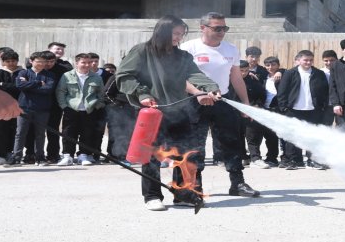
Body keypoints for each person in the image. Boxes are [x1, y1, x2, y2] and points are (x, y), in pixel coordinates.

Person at [116, 15, 222, 211]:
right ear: (162, 32)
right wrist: (142, 94)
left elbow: (195, 74)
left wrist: (211, 88)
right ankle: (152, 196)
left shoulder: (183, 56)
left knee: (186, 154)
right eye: (175, 33)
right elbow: (124, 75)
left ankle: (184, 195)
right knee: (152, 156)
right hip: (152, 112)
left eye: (181, 34)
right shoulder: (141, 51)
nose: (179, 38)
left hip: (180, 111)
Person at [180, 11, 260, 198]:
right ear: (203, 28)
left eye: (224, 28)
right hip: (195, 101)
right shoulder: (189, 48)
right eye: (217, 28)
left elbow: (236, 78)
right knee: (195, 146)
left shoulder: (230, 49)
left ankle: (237, 184)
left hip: (222, 100)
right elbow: (179, 78)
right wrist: (198, 93)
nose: (222, 32)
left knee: (232, 142)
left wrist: (245, 104)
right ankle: (195, 186)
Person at [276, 50, 329, 170]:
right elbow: (282, 91)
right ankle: (293, 161)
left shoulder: (319, 73)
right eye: (305, 60)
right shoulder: (290, 73)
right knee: (293, 136)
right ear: (299, 60)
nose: (308, 62)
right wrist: (284, 108)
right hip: (293, 110)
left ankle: (313, 160)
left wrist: (322, 107)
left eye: (311, 60)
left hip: (313, 110)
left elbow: (325, 91)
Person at [5, 51, 56, 166]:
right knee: (20, 133)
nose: (41, 64)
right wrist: (39, 83)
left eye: (43, 61)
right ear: (31, 61)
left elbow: (48, 89)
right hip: (24, 108)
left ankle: (40, 157)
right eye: (38, 61)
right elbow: (20, 85)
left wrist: (29, 85)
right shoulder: (24, 72)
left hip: (42, 108)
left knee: (40, 134)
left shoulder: (50, 75)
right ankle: (16, 157)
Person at [55, 53, 106, 166]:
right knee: (68, 133)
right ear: (76, 63)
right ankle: (67, 156)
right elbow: (61, 92)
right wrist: (64, 106)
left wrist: (97, 106)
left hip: (89, 110)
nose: (87, 65)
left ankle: (83, 155)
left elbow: (101, 94)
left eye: (89, 62)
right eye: (83, 62)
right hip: (71, 109)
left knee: (87, 133)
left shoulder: (96, 77)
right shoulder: (67, 76)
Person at [242, 46, 273, 169]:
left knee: (254, 134)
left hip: (254, 110)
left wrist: (257, 105)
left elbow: (261, 93)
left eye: (257, 57)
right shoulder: (233, 74)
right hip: (236, 111)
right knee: (237, 135)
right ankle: (243, 157)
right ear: (246, 57)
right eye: (251, 56)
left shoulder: (262, 72)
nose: (254, 59)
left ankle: (255, 158)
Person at [0, 50, 21, 164]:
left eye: (13, 61)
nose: (11, 63)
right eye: (8, 61)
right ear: (3, 62)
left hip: (19, 106)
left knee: (16, 130)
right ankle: (0, 154)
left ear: (17, 61)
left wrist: (4, 85)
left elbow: (22, 87)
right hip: (2, 107)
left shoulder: (23, 72)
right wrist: (14, 86)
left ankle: (10, 152)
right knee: (1, 130)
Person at [261, 56, 285, 166]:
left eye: (273, 65)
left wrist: (280, 71)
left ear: (278, 65)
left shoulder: (283, 75)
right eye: (268, 65)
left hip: (279, 109)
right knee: (270, 135)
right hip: (266, 109)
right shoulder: (263, 77)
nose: (270, 67)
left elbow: (288, 71)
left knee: (283, 135)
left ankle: (286, 158)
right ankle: (271, 158)